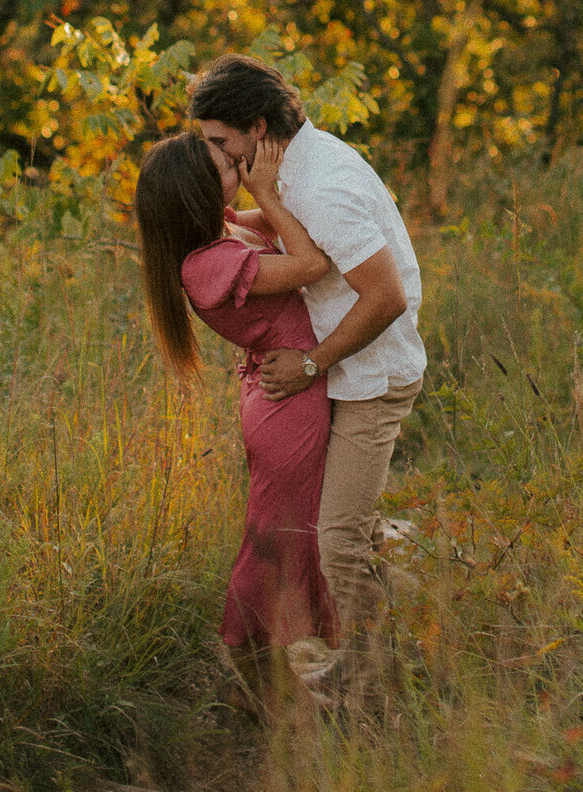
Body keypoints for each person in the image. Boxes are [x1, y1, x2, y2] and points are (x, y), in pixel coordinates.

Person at [190, 54, 426, 703]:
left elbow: (385, 298)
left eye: (218, 142)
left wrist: (311, 363)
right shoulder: (295, 166)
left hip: (370, 378)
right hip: (348, 372)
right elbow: (288, 227)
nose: (213, 155)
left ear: (255, 128)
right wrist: (224, 219)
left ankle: (383, 692)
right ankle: (390, 654)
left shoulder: (320, 183)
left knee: (340, 544)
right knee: (358, 532)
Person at [134, 130, 338, 717]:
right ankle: (262, 685)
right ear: (200, 193)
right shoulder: (208, 265)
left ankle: (278, 690)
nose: (239, 163)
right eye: (226, 164)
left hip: (290, 388)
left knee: (299, 534)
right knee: (274, 543)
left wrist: (266, 193)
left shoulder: (224, 231)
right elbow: (310, 263)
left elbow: (279, 227)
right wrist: (268, 191)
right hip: (287, 407)